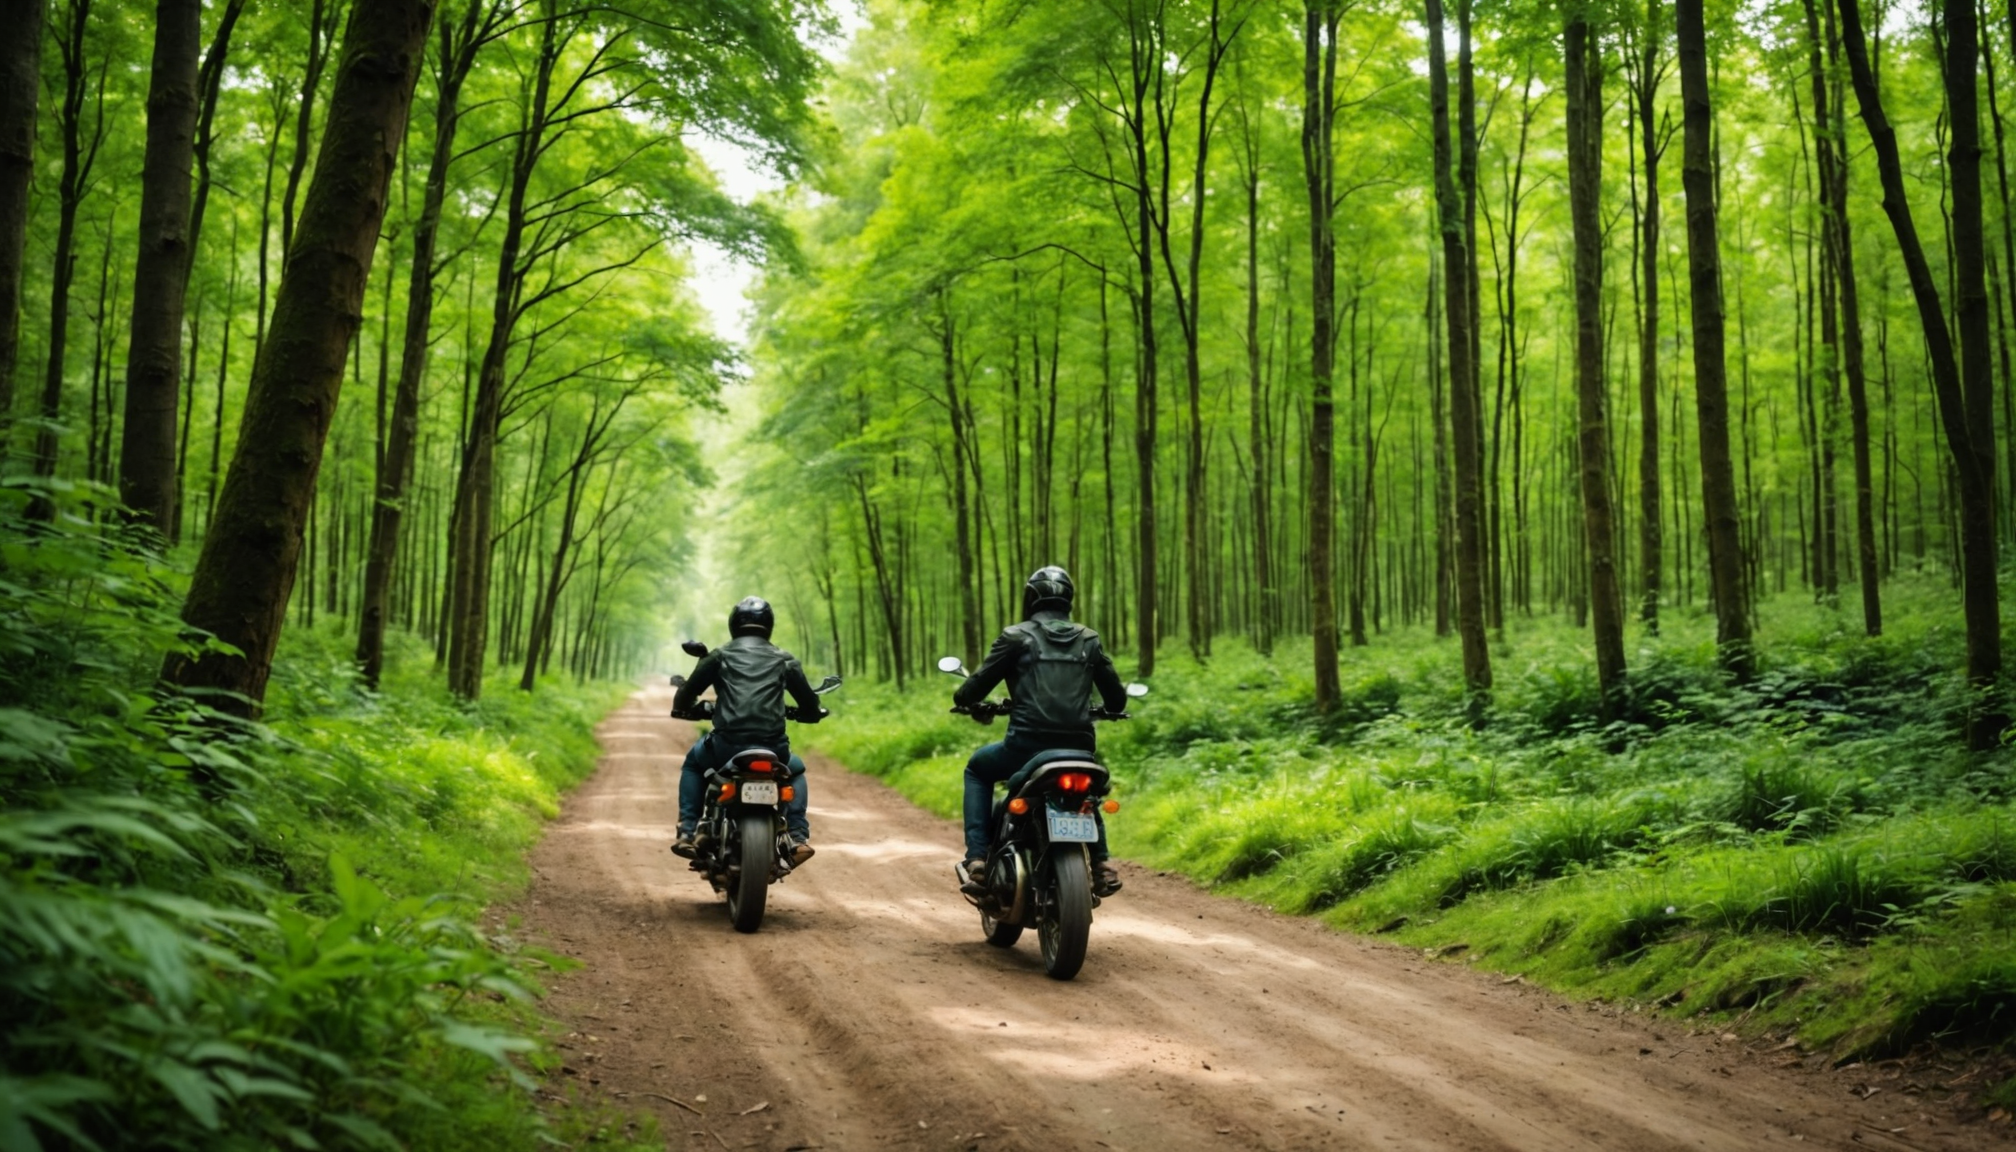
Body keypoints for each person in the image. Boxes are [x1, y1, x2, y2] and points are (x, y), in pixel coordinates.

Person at [954, 565, 1128, 898]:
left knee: (977, 769)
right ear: (1069, 599)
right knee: (1085, 796)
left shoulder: (1015, 636)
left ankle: (977, 858)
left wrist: (970, 702)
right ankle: (1102, 863)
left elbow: (969, 692)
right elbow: (1116, 699)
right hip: (1079, 748)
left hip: (1024, 747)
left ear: (1031, 599)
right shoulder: (1089, 639)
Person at [671, 596, 823, 864]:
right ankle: (798, 837)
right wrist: (809, 714)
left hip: (725, 747)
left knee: (694, 764)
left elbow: (685, 697)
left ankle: (687, 831)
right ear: (769, 626)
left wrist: (687, 707)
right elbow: (810, 704)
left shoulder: (718, 656)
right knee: (795, 770)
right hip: (774, 749)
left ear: (734, 625)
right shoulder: (785, 659)